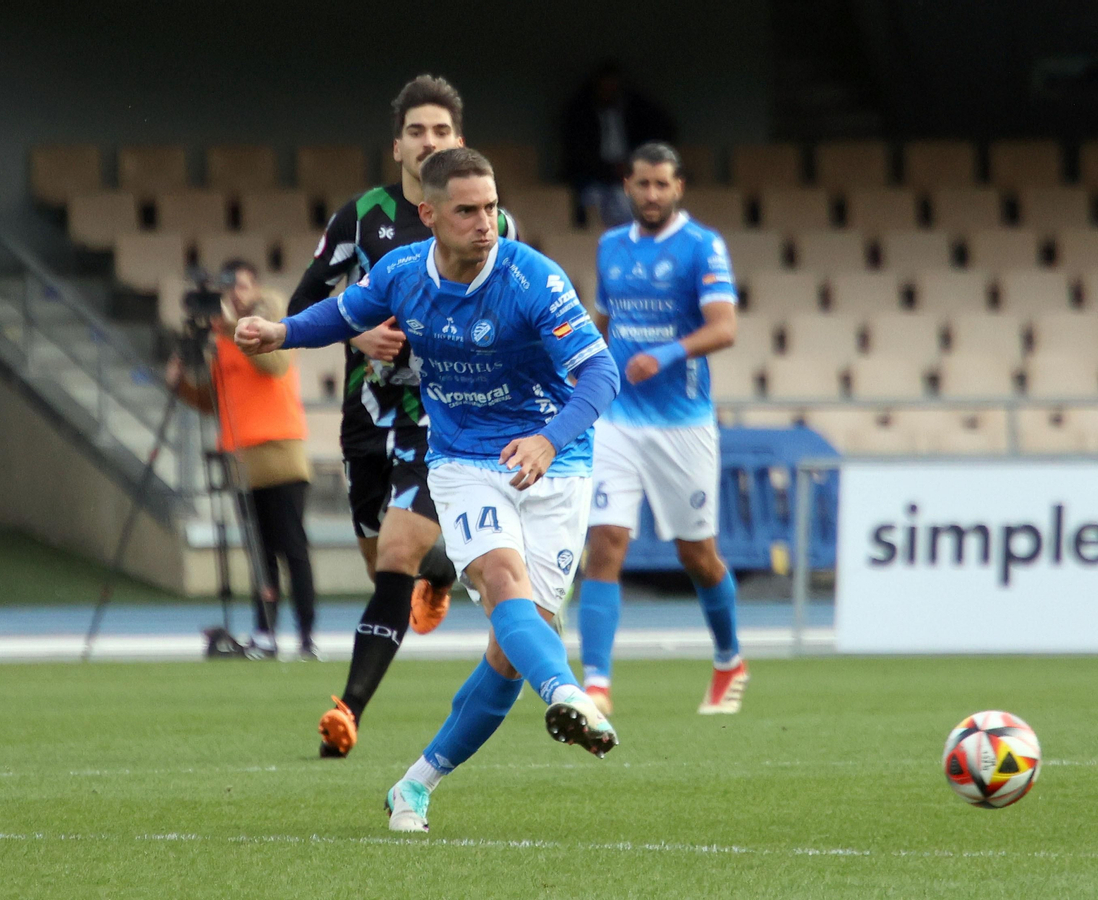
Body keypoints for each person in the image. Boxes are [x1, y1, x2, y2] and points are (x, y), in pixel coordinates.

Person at [236, 147, 621, 833]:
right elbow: (345, 312)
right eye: (467, 211)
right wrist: (281, 332)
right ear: (430, 214)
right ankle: (567, 692)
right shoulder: (403, 272)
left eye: (491, 207)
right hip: (463, 460)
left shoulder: (532, 277)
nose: (485, 223)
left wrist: (547, 439)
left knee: (511, 651)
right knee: (503, 583)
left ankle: (415, 784)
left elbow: (601, 374)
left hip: (554, 464)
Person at [288, 75, 519, 758]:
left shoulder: (494, 225)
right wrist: (357, 334)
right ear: (397, 146)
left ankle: (347, 711)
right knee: (384, 564)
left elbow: (515, 310)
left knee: (395, 553)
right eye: (416, 131)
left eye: (441, 131)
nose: (429, 141)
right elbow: (303, 303)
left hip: (442, 418)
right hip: (366, 417)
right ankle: (440, 572)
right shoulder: (361, 218)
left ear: (459, 140)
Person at [576, 142, 747, 715]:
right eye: (642, 184)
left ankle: (729, 659)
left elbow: (724, 328)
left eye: (662, 184)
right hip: (618, 419)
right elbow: (603, 323)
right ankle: (596, 685)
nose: (651, 194)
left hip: (682, 423)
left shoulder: (702, 246)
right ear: (627, 186)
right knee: (605, 542)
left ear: (678, 188)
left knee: (697, 555)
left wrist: (667, 353)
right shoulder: (610, 247)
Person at [171, 260, 317, 659]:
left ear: (256, 288)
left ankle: (306, 635)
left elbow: (274, 364)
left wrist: (232, 325)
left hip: (280, 453)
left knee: (293, 549)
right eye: (229, 287)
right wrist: (181, 383)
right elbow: (217, 402)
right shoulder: (223, 340)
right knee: (260, 555)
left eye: (242, 285)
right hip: (242, 461)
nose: (235, 294)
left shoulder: (269, 319)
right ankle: (264, 633)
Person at [560, 62, 675, 228]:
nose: (610, 92)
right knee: (595, 202)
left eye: (614, 87)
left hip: (629, 177)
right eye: (605, 88)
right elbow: (578, 155)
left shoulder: (635, 112)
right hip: (594, 180)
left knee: (639, 204)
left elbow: (662, 130)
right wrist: (610, 169)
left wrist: (634, 165)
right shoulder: (582, 115)